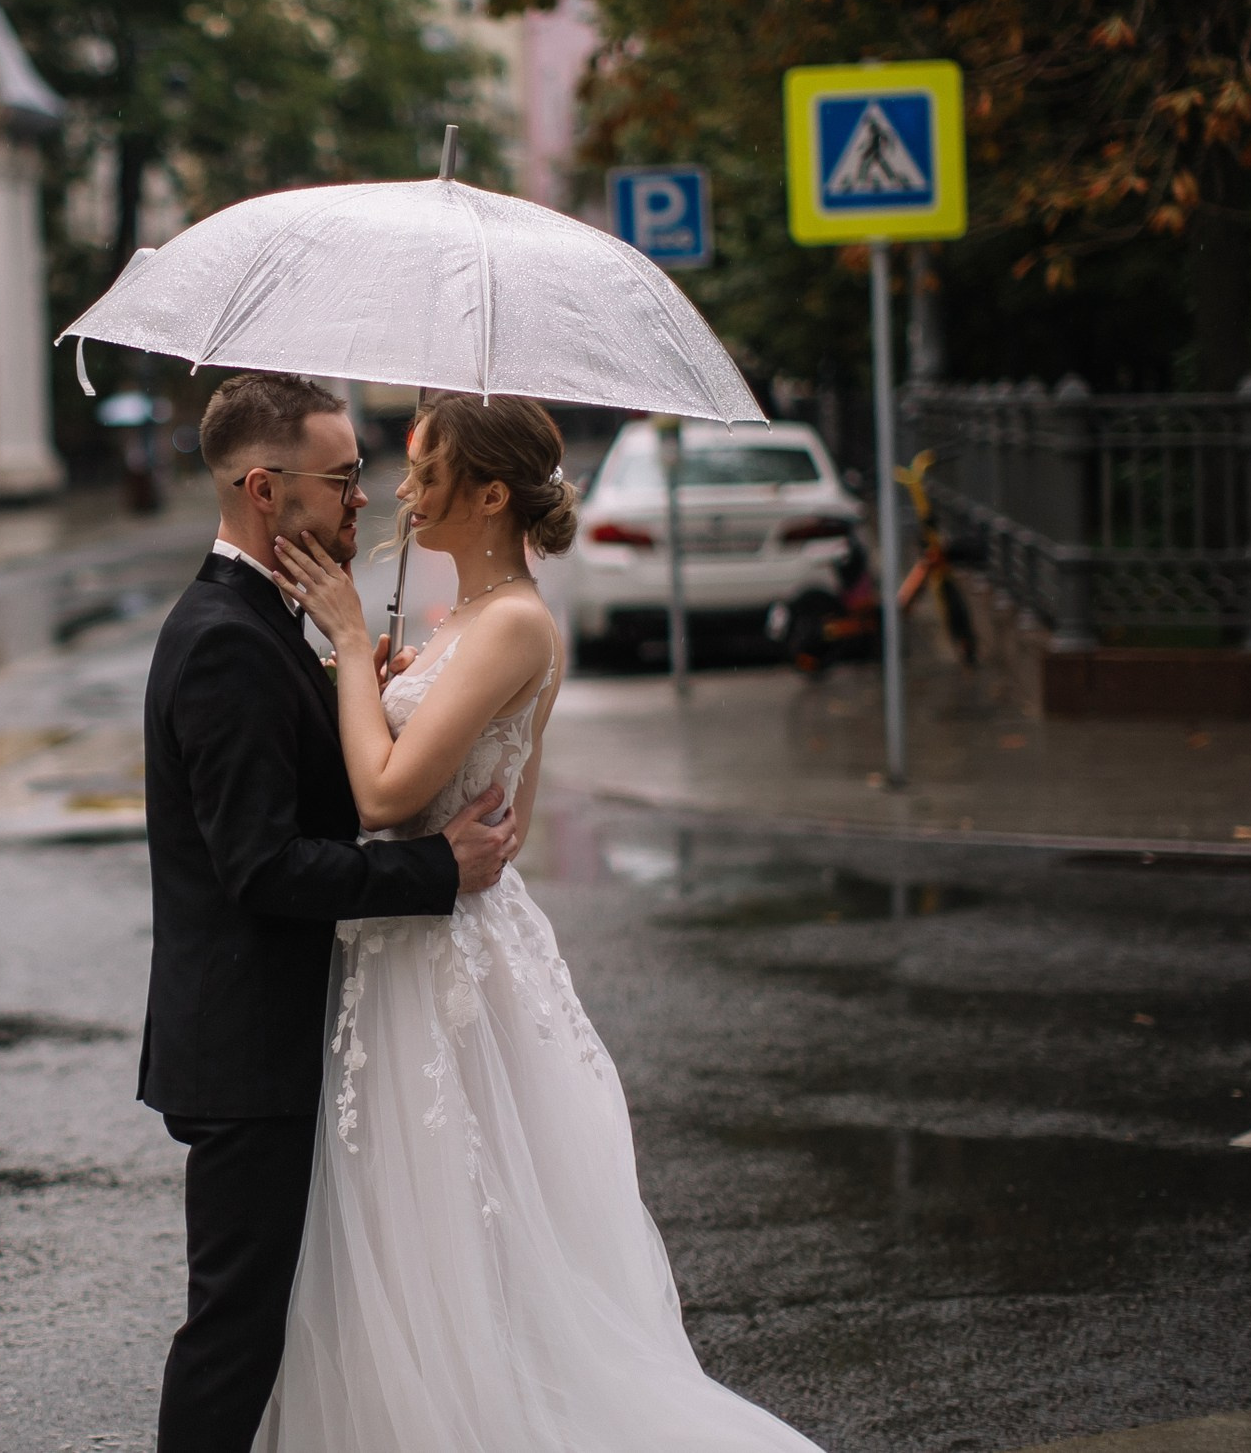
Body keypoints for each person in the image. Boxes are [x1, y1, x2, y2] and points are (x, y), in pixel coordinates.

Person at [256, 393, 827, 1453]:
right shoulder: (462, 621)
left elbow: (384, 797)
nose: (402, 491)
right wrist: (375, 680)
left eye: (427, 474)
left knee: (461, 1235)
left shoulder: (514, 620)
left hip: (443, 958)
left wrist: (343, 645)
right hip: (404, 938)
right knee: (406, 1235)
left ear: (487, 494)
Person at [141, 372, 520, 1453]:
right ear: (267, 490)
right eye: (343, 481)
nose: (366, 500)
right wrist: (436, 870)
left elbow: (297, 760)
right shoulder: (223, 637)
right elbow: (262, 867)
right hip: (250, 1050)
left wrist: (363, 679)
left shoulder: (260, 619)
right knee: (237, 1335)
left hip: (282, 1036)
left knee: (286, 1323)